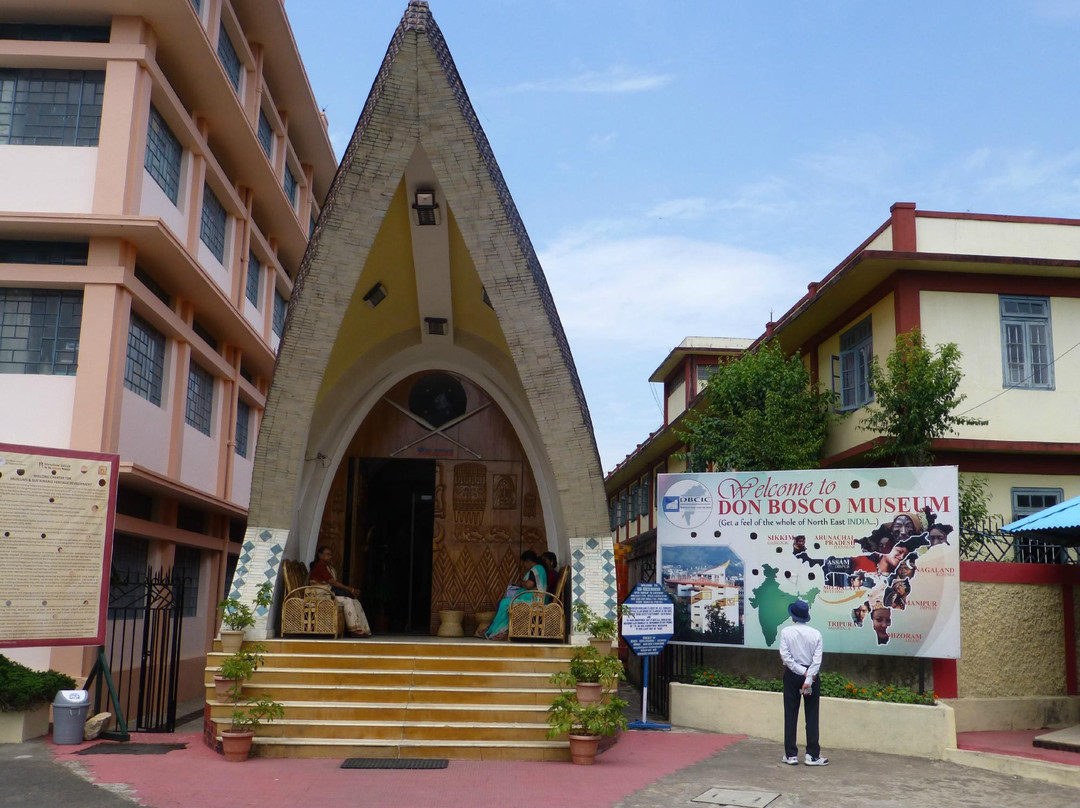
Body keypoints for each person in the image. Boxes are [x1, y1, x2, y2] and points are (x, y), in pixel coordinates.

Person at [778, 599, 828, 766]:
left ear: (793, 616)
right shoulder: (816, 634)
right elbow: (817, 659)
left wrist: (801, 672)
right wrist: (808, 677)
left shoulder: (786, 632)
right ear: (807, 616)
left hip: (792, 676)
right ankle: (812, 755)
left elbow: (786, 657)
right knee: (812, 715)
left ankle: (791, 755)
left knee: (790, 714)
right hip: (811, 678)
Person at [481, 550, 547, 640]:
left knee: (505, 603)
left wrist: (521, 582)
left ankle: (501, 631)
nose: (524, 565)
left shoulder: (536, 569)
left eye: (524, 563)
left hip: (534, 600)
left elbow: (529, 585)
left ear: (528, 561)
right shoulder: (540, 569)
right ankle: (497, 630)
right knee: (504, 603)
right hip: (536, 598)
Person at [309, 546, 372, 637]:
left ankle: (362, 629)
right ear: (320, 555)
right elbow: (332, 582)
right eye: (327, 554)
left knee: (355, 601)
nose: (330, 557)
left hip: (328, 594)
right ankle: (354, 630)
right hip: (320, 596)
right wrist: (350, 589)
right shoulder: (319, 566)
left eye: (330, 555)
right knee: (347, 601)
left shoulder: (327, 567)